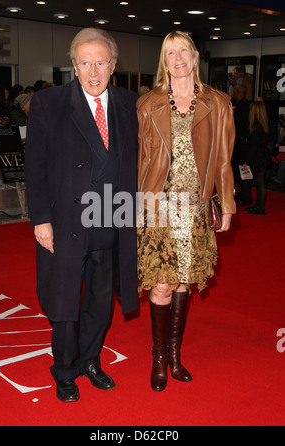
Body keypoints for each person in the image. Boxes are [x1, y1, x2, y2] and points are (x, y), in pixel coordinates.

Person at [25, 27, 138, 402]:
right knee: (65, 299)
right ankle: (65, 370)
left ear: (113, 65)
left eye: (101, 62)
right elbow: (35, 167)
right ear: (74, 66)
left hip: (112, 219)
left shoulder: (127, 103)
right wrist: (40, 218)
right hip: (66, 222)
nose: (94, 71)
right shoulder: (48, 103)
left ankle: (91, 360)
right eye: (86, 62)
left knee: (100, 301)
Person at [136, 30, 235, 392]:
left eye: (183, 51)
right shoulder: (148, 103)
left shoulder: (218, 102)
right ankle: (159, 357)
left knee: (182, 282)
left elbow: (224, 159)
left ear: (195, 56)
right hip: (157, 206)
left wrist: (225, 205)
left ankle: (175, 355)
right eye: (170, 53)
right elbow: (138, 158)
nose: (177, 59)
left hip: (193, 207)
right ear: (163, 61)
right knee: (160, 284)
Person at [243, 101, 271, 214]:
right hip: (263, 156)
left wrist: (247, 162)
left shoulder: (256, 128)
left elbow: (253, 147)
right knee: (259, 182)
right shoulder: (263, 126)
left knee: (259, 182)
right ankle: (258, 206)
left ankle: (260, 207)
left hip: (258, 157)